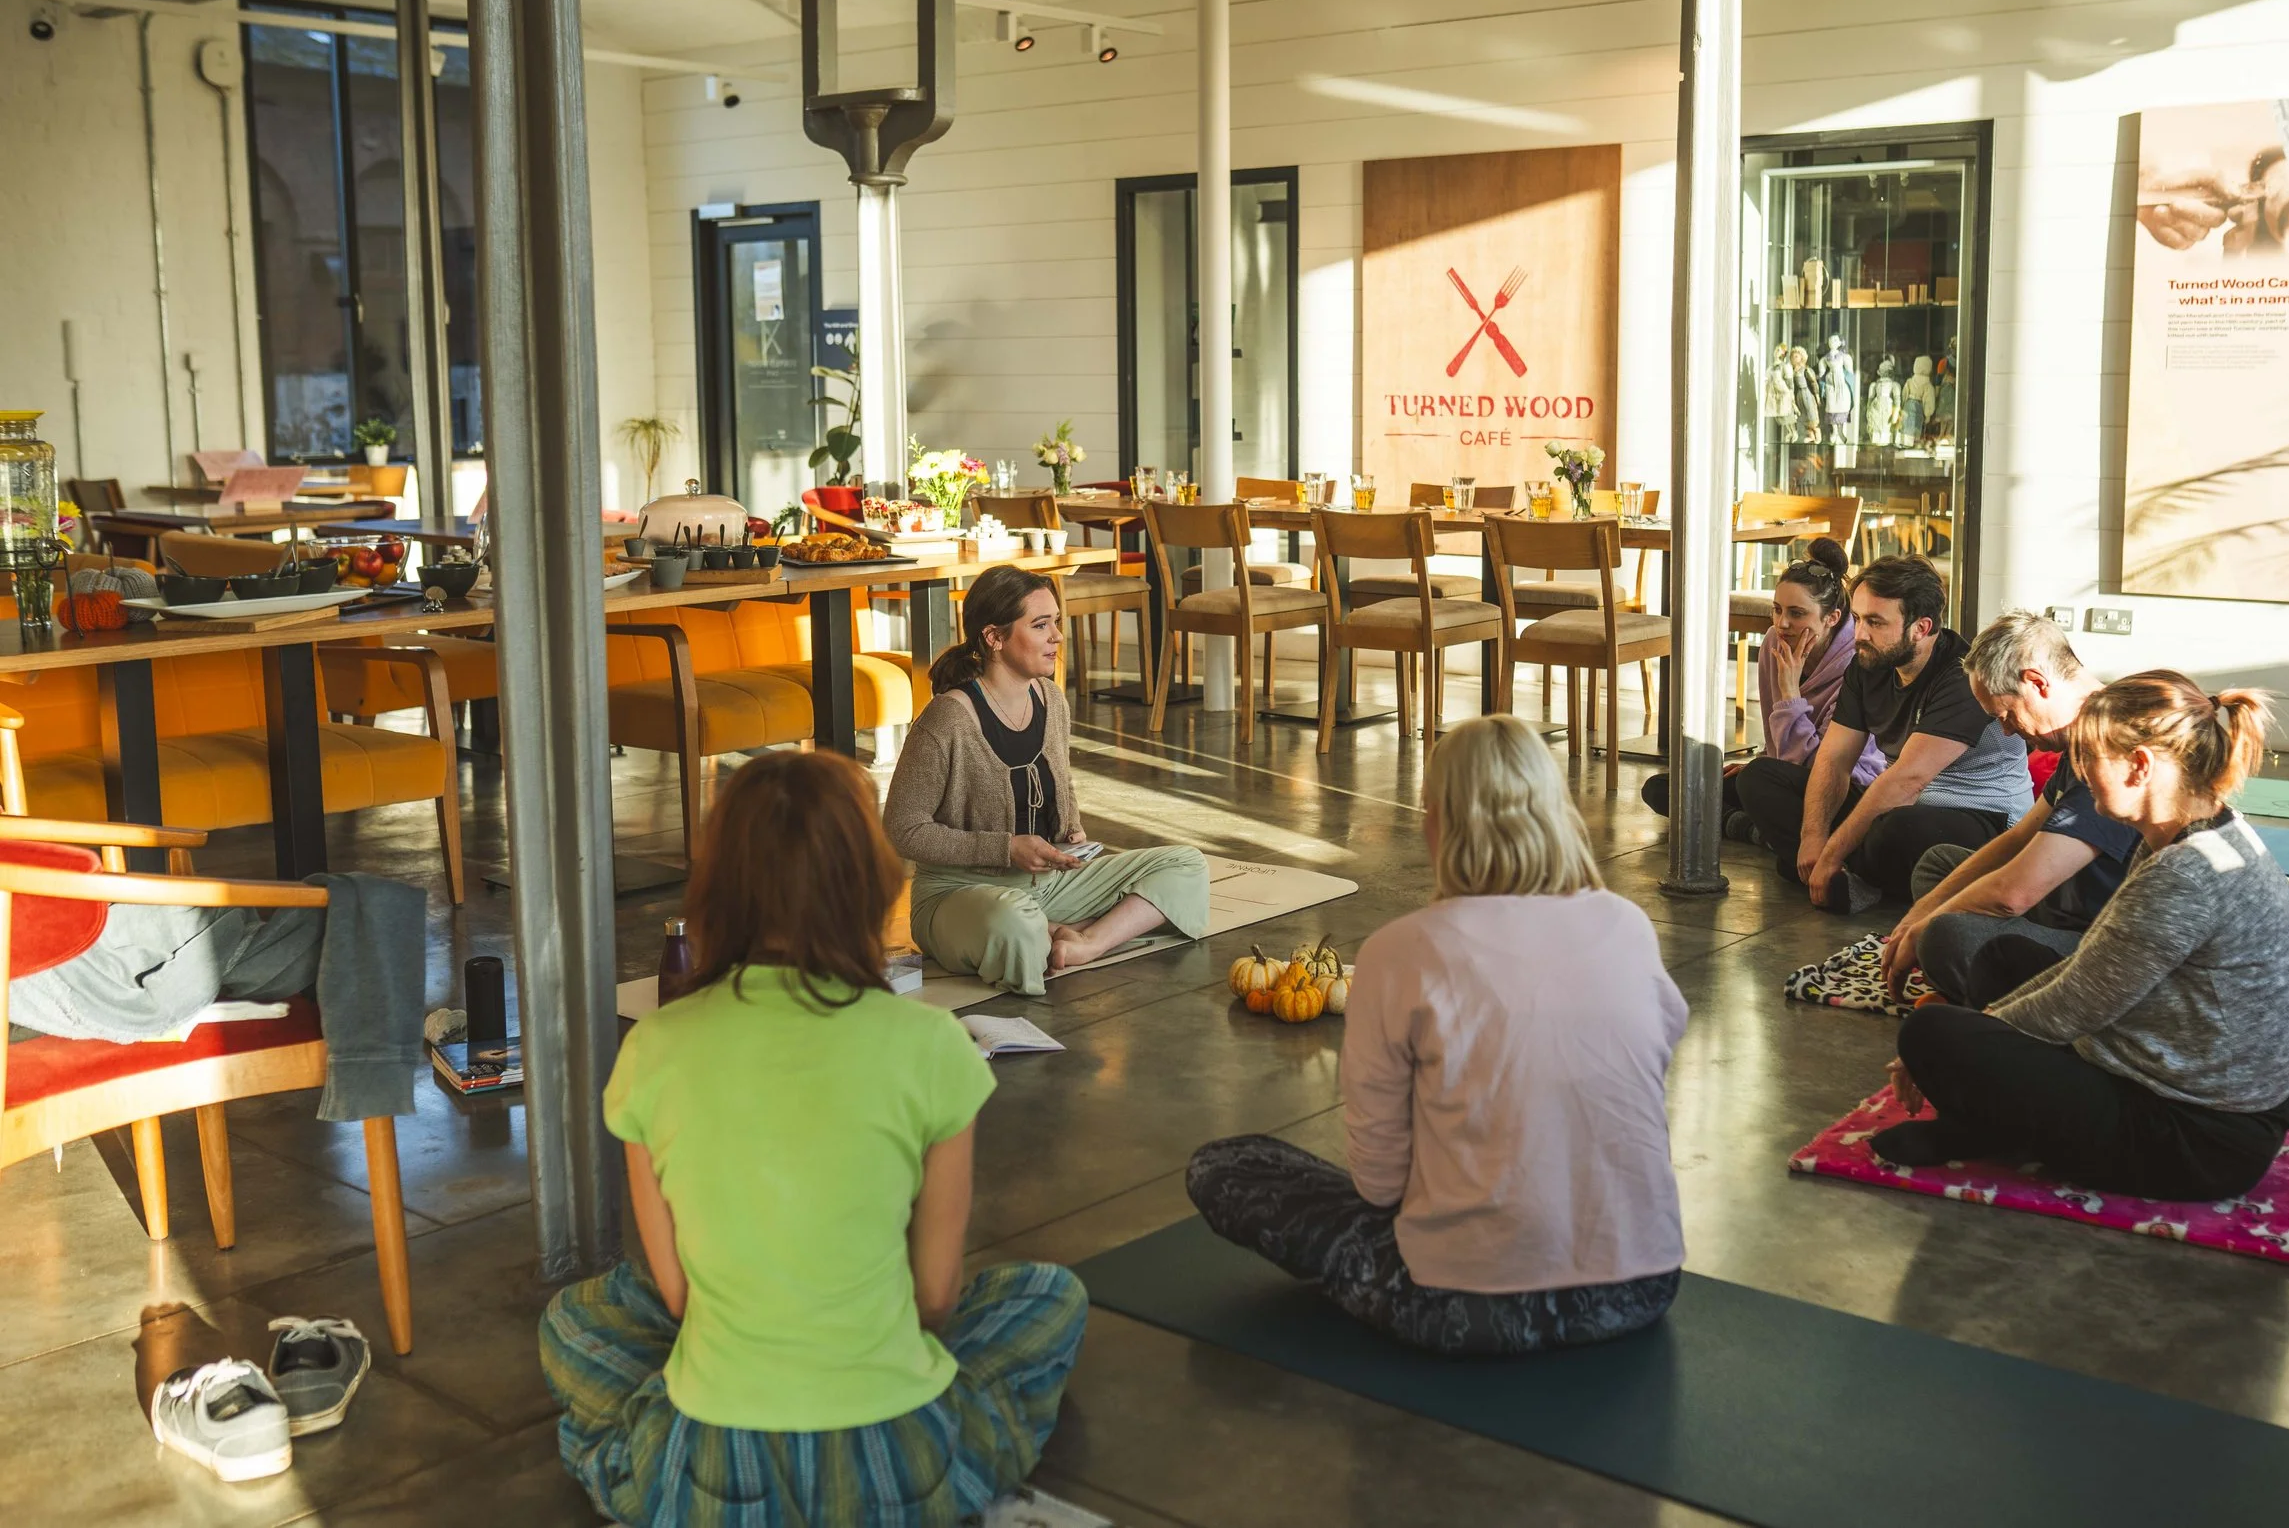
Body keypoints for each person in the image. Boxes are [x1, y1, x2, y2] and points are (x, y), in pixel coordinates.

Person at [540, 750, 1088, 1526]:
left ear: (715, 891)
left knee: (575, 1322)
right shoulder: (930, 1044)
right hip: (900, 1463)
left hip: (709, 1474)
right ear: (869, 883)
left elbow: (678, 1297)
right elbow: (934, 1300)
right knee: (1047, 1297)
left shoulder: (654, 1048)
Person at [1188, 715, 1688, 1356]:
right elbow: (1651, 1058)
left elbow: (1379, 1185)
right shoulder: (1627, 926)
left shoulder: (1400, 953)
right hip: (1641, 1288)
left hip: (1462, 1307)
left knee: (1226, 1166)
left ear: (1438, 822)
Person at [1876, 674, 2289, 1202]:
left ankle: (1988, 1122)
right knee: (2004, 958)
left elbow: (2070, 1008)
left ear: (2140, 766)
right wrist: (1981, 1035)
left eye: (2090, 760)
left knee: (1930, 1033)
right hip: (2220, 1101)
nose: (2079, 773)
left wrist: (1947, 1052)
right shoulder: (2202, 829)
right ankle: (1989, 1125)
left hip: (2202, 1140)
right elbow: (2086, 974)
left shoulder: (2185, 874)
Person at [883, 566, 1209, 996]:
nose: (1057, 636)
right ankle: (1063, 929)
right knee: (1012, 921)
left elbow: (1062, 783)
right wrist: (1005, 848)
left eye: (1056, 621)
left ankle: (1085, 943)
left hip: (1049, 883)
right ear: (994, 637)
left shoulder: (1051, 698)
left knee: (1186, 865)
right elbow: (902, 830)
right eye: (1041, 625)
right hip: (961, 891)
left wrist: (1070, 832)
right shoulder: (948, 718)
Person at [1733, 554, 2031, 912]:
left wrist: (1830, 852)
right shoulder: (1869, 664)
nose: (1859, 634)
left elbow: (1908, 781)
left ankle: (1842, 874)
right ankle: (1851, 874)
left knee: (1897, 828)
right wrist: (1814, 837)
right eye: (1857, 619)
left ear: (1920, 628)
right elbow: (1834, 759)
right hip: (1896, 805)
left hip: (1982, 819)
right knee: (1760, 777)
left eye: (1874, 622)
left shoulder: (1963, 677)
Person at [1878, 610, 2135, 1004]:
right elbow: (2020, 836)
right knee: (1939, 866)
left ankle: (1985, 988)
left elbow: (2013, 895)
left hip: (2097, 937)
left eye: (2006, 715)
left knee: (1943, 936)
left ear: (2036, 683)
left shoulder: (2110, 748)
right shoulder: (2084, 729)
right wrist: (1923, 910)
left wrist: (1924, 926)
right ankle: (1977, 979)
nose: (2007, 731)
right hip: (2061, 900)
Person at [1642, 538, 1882, 842]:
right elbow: (1779, 744)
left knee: (1756, 782)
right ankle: (1754, 830)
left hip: (1842, 787)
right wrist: (1765, 762)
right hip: (1785, 775)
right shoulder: (1774, 642)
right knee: (1666, 788)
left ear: (1832, 618)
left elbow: (1823, 769)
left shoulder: (1856, 666)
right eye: (1777, 610)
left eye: (1797, 613)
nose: (1782, 624)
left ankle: (1752, 827)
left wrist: (1791, 693)